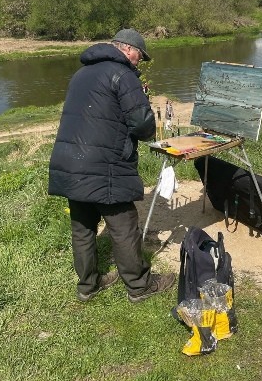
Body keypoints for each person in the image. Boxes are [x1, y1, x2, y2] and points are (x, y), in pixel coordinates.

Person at [48, 28, 175, 303]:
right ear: (129, 50)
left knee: (82, 227)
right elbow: (143, 126)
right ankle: (139, 286)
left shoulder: (80, 73)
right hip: (104, 165)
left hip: (70, 163)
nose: (140, 62)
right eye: (140, 56)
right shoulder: (123, 74)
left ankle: (88, 286)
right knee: (124, 225)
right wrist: (141, 100)